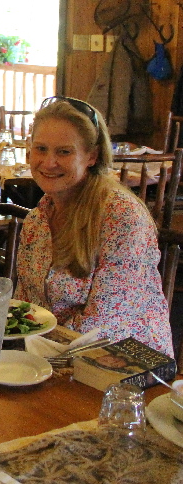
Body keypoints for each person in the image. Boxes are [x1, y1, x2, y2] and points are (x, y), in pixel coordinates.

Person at [15, 96, 173, 356]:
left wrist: (33, 346)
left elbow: (103, 325)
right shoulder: (37, 220)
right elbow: (26, 306)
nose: (49, 162)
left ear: (92, 156)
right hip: (51, 355)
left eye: (64, 152)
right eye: (41, 148)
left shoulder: (122, 217)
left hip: (123, 363)